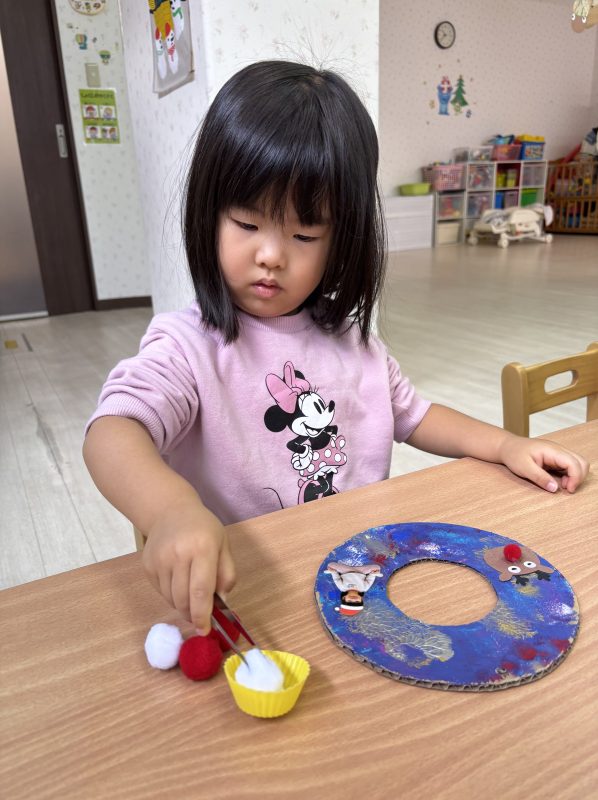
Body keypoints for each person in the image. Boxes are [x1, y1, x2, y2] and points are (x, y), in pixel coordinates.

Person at [83, 60, 589, 635]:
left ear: (341, 240)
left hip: (360, 583)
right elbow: (113, 432)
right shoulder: (188, 346)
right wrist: (172, 510)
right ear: (208, 214)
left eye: (304, 234)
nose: (271, 255)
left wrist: (504, 445)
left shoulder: (352, 340)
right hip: (253, 594)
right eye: (246, 223)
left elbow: (415, 414)